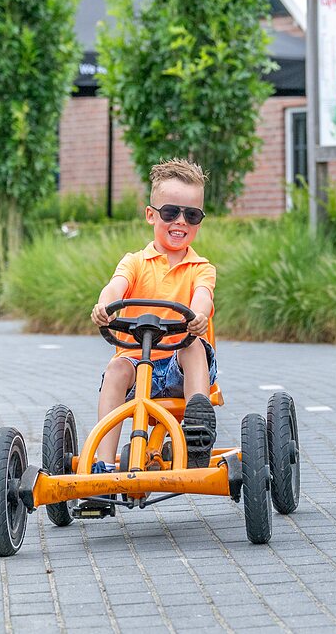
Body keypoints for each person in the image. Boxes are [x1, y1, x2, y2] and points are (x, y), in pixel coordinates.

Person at [90, 158, 218, 471]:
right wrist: (105, 306)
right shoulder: (134, 263)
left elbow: (203, 296)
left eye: (192, 214)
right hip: (137, 364)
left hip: (179, 369)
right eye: (171, 212)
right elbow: (115, 287)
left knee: (193, 344)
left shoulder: (201, 268)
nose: (181, 222)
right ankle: (103, 466)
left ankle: (196, 428)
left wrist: (198, 315)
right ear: (151, 215)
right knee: (116, 368)